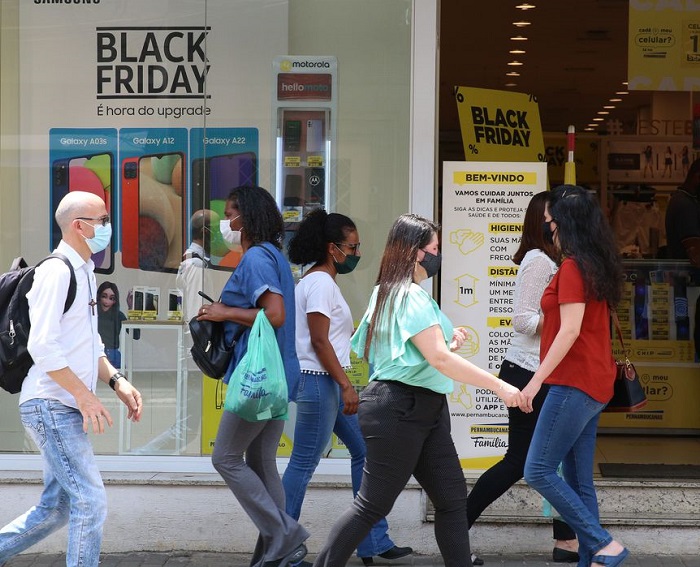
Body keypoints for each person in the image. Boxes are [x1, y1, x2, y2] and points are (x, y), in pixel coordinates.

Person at [312, 213, 521, 567]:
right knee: (372, 505)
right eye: (435, 248)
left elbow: (415, 353)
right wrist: (499, 386)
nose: (439, 255)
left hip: (421, 406)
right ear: (415, 252)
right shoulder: (409, 296)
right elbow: (437, 358)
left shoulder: (388, 291)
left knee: (451, 499)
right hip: (400, 408)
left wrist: (447, 345)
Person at [0, 191, 143, 567]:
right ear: (80, 226)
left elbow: (88, 344)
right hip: (50, 404)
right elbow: (43, 346)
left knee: (56, 509)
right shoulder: (57, 272)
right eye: (103, 220)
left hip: (59, 405)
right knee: (90, 502)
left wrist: (117, 381)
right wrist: (84, 396)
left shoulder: (85, 272)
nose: (108, 226)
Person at [282, 209, 412, 566]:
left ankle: (373, 541)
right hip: (320, 382)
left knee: (366, 453)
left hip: (326, 381)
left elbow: (329, 337)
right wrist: (346, 385)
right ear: (332, 248)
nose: (356, 253)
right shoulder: (321, 283)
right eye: (351, 247)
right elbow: (319, 341)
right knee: (303, 464)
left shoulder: (319, 281)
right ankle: (281, 549)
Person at [195, 186, 309, 567]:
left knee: (225, 456)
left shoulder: (257, 258)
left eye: (230, 214)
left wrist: (223, 312)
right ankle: (274, 556)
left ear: (246, 218)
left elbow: (275, 314)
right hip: (278, 375)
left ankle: (285, 536)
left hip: (258, 379)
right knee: (261, 461)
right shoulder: (274, 256)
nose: (226, 222)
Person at [467, 192, 579, 564]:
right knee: (519, 461)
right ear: (539, 223)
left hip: (540, 371)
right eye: (550, 217)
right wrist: (567, 319)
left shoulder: (554, 261)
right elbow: (522, 320)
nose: (556, 223)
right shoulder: (537, 261)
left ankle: (567, 542)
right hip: (526, 370)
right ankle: (457, 525)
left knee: (556, 458)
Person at [520, 185, 628, 567]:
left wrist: (535, 381)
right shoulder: (595, 264)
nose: (548, 228)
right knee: (580, 481)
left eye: (550, 222)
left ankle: (603, 544)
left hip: (573, 383)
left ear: (566, 224)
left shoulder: (571, 267)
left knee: (537, 470)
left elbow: (568, 331)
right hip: (594, 383)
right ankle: (594, 558)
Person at [665, 158, 700, 361]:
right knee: (685, 329)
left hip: (686, 284)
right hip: (688, 283)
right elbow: (695, 253)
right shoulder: (685, 204)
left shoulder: (684, 200)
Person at [176, 208, 219, 324]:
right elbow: (195, 311)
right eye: (216, 229)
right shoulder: (196, 264)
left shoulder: (196, 260)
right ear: (205, 231)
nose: (219, 235)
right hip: (197, 332)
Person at [96, 281, 127, 369]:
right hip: (95, 354)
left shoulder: (118, 315)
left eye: (111, 298)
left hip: (114, 356)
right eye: (104, 296)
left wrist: (131, 307)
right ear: (98, 296)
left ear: (115, 301)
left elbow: (136, 335)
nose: (107, 301)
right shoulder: (92, 314)